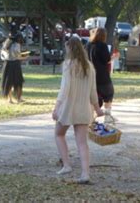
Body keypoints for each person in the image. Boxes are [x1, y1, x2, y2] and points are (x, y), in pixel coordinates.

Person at [52, 36, 104, 184]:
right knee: (82, 142)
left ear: (69, 49)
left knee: (58, 134)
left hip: (68, 108)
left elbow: (64, 89)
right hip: (84, 108)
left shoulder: (68, 65)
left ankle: (67, 164)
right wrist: (97, 109)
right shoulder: (89, 66)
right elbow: (93, 91)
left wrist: (56, 107)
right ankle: (85, 173)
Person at [86, 28, 116, 123]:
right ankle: (107, 116)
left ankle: (91, 117)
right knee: (108, 94)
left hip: (90, 75)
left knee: (92, 97)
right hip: (102, 75)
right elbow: (106, 59)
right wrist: (113, 57)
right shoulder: (102, 46)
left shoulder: (88, 45)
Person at [0, 32, 25, 104]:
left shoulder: (6, 43)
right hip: (15, 64)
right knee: (18, 82)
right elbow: (18, 56)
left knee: (8, 82)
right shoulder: (17, 45)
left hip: (7, 64)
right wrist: (25, 56)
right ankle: (18, 98)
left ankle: (9, 99)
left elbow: (3, 54)